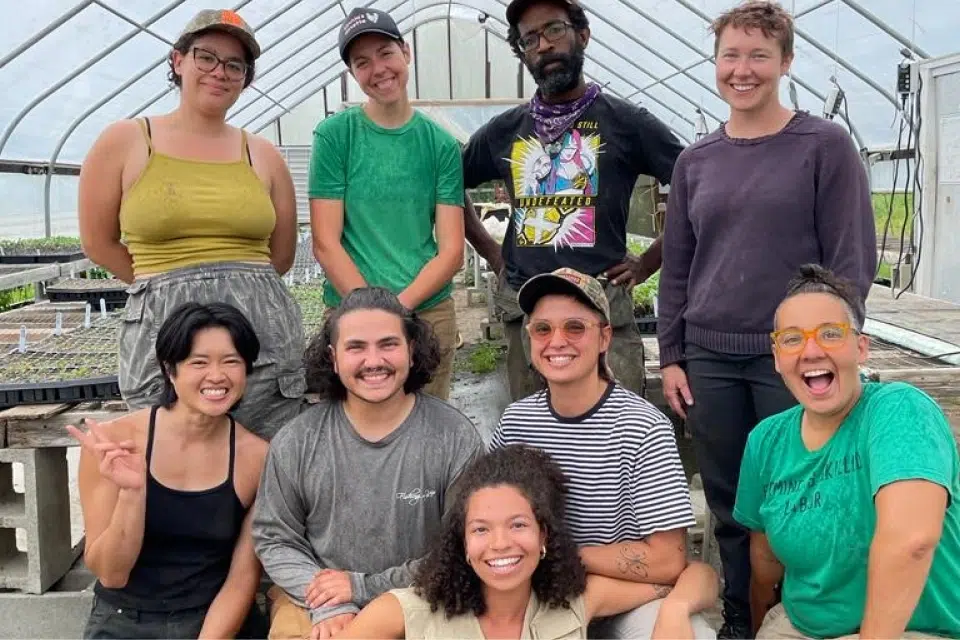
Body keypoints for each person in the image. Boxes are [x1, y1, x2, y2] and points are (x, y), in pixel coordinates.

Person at [656, 3, 877, 635]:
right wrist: (673, 353)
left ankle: (817, 609)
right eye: (731, 55)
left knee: (811, 488)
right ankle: (740, 617)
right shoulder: (696, 161)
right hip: (712, 357)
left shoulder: (822, 146)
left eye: (758, 55)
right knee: (730, 499)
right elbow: (679, 267)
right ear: (716, 62)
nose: (742, 70)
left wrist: (830, 346)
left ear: (785, 62)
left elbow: (850, 260)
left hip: (794, 356)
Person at [78, 9, 305, 440]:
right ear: (177, 61)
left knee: (264, 465)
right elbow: (98, 241)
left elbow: (281, 255)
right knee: (172, 462)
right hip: (167, 332)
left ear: (246, 79)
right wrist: (163, 285)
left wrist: (240, 288)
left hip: (261, 334)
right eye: (206, 57)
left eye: (235, 65)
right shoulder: (126, 140)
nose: (220, 72)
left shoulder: (263, 154)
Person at [461, 0, 685, 401]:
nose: (543, 45)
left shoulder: (626, 122)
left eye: (554, 30)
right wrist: (493, 252)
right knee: (534, 446)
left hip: (603, 313)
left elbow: (697, 185)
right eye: (530, 39)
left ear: (582, 35)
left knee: (614, 438)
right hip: (527, 311)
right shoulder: (506, 130)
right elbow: (447, 186)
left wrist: (649, 261)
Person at [734, 264, 960, 639]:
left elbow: (912, 541)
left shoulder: (899, 411)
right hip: (800, 627)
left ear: (861, 347)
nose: (810, 351)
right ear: (776, 357)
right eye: (792, 339)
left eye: (829, 334)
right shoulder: (766, 441)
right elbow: (765, 564)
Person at [491, 268, 716, 639]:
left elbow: (666, 557)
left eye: (575, 328)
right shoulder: (517, 423)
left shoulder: (643, 427)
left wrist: (558, 557)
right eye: (542, 329)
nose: (557, 341)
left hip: (624, 598)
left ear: (604, 337)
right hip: (532, 594)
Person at [252, 287, 484, 639]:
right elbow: (275, 538)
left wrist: (363, 588)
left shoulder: (454, 438)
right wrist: (330, 602)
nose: (373, 361)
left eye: (388, 344)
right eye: (356, 347)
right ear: (333, 357)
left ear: (411, 349)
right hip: (316, 599)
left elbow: (464, 546)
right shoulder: (297, 440)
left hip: (421, 598)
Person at [336, 444, 719, 639]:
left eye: (517, 525)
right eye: (481, 529)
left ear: (543, 536)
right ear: (463, 544)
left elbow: (696, 575)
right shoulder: (405, 611)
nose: (500, 543)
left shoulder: (576, 602)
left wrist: (677, 608)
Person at [68, 302, 270, 639]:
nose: (217, 376)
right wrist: (133, 492)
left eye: (231, 361)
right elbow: (111, 574)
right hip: (125, 619)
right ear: (169, 370)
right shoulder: (115, 444)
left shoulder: (258, 458)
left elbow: (242, 578)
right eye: (199, 363)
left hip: (215, 620)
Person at [309, 7, 465, 400]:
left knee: (427, 429)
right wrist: (369, 315)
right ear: (353, 73)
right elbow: (326, 242)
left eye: (385, 53)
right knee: (353, 430)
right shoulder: (335, 136)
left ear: (406, 53)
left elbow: (450, 251)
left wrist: (396, 311)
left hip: (427, 314)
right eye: (362, 62)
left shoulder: (440, 145)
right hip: (350, 312)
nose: (378, 69)